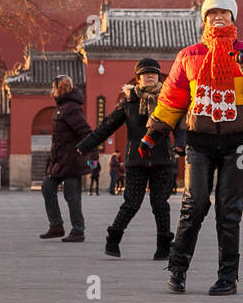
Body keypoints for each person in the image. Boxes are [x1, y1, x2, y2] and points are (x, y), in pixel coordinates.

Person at [138, 0, 243, 295]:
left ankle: (228, 276)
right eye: (211, 13)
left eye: (224, 13)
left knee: (229, 209)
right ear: (203, 20)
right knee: (194, 204)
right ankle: (177, 268)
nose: (217, 18)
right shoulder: (188, 55)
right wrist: (153, 131)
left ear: (233, 18)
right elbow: (173, 98)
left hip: (238, 143)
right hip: (199, 142)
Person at [76, 58, 184, 259]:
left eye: (154, 74)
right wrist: (86, 145)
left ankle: (163, 246)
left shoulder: (168, 100)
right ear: (138, 78)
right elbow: (107, 126)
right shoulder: (128, 101)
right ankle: (113, 239)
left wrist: (181, 143)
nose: (150, 77)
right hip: (136, 160)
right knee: (131, 203)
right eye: (146, 74)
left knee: (160, 204)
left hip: (163, 158)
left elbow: (180, 125)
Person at [40, 74, 93, 243]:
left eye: (54, 87)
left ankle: (78, 230)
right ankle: (56, 225)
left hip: (71, 160)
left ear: (58, 89)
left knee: (71, 194)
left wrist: (85, 153)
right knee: (47, 187)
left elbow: (86, 132)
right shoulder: (61, 107)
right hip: (59, 160)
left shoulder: (70, 108)